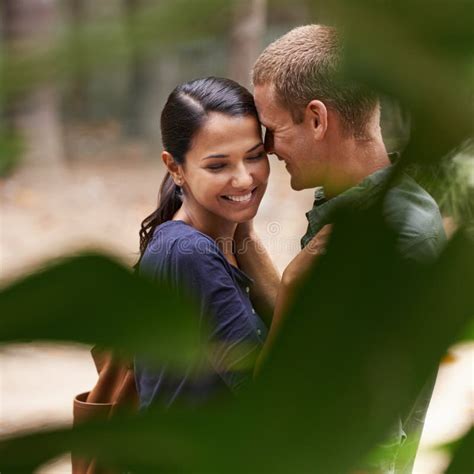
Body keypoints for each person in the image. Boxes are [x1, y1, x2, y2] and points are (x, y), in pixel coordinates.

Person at [247, 25, 447, 473]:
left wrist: (296, 280)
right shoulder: (363, 209)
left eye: (272, 129)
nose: (266, 149)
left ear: (317, 119)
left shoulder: (390, 242)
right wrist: (240, 234)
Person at [134, 77, 280, 408]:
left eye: (255, 156)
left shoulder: (218, 242)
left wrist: (245, 231)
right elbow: (269, 391)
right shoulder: (190, 253)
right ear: (175, 168)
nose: (244, 178)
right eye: (218, 165)